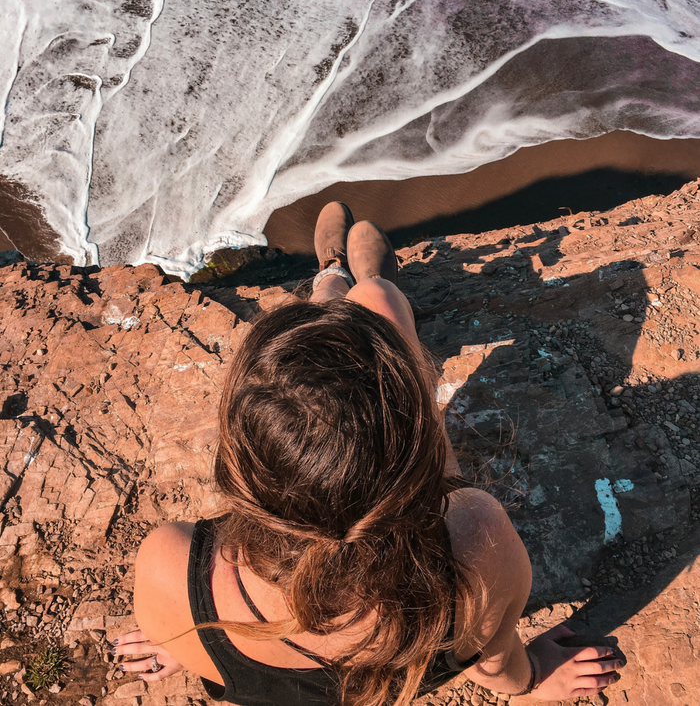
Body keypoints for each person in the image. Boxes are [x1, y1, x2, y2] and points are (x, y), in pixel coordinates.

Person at [112, 203, 623, 705]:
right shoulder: (476, 540)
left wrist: (188, 631)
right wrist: (531, 677)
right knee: (379, 300)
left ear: (242, 469)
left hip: (236, 611)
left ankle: (330, 277)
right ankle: (364, 281)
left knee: (315, 347)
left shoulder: (168, 570)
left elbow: (189, 628)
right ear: (421, 444)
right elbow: (495, 665)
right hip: (408, 524)